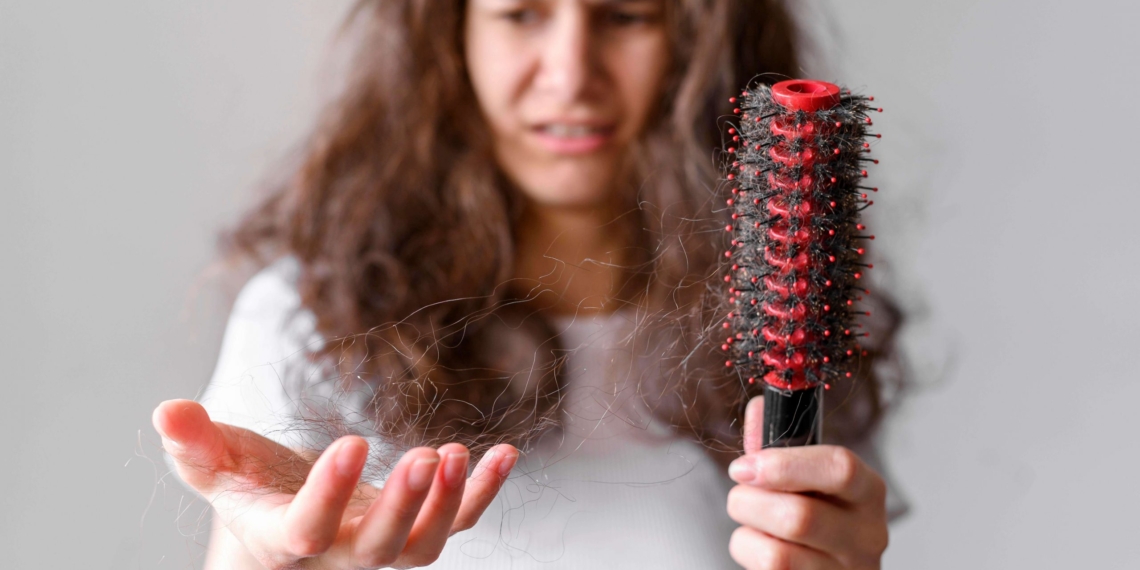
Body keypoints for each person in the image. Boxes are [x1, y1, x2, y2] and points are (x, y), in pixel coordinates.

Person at [153, 1, 903, 568]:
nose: (571, 74)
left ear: (697, 38)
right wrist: (275, 558)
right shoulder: (308, 319)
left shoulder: (790, 321)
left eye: (623, 15)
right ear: (451, 38)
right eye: (520, 14)